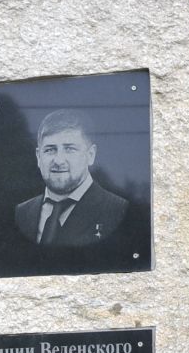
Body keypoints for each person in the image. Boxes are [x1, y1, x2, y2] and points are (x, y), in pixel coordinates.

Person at [13, 110, 148, 270]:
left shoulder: (121, 211)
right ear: (38, 156)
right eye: (50, 150)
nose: (58, 160)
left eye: (69, 149)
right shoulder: (22, 212)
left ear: (90, 155)